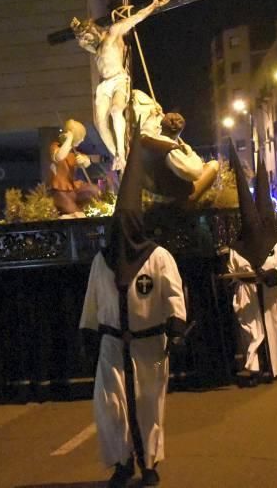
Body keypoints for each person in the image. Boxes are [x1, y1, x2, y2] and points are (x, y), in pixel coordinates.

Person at [79, 127, 187, 488]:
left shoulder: (158, 258)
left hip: (148, 345)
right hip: (112, 346)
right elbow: (93, 300)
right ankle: (121, 463)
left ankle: (150, 463)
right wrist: (88, 330)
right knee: (111, 409)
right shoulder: (103, 260)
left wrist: (175, 322)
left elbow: (173, 294)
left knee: (148, 405)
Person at [70, 0, 170, 171]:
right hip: (104, 86)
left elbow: (135, 18)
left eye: (86, 37)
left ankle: (123, 154)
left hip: (118, 79)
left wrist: (154, 5)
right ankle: (117, 155)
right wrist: (77, 28)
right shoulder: (96, 48)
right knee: (100, 123)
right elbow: (81, 42)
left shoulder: (113, 34)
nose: (84, 42)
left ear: (93, 30)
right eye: (83, 39)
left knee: (117, 110)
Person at [224, 152, 277, 383]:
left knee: (273, 330)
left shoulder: (275, 243)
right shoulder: (237, 247)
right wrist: (242, 277)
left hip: (270, 292)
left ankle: (272, 367)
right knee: (253, 332)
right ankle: (255, 368)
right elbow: (233, 269)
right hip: (249, 294)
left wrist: (273, 274)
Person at [140, 112, 219, 205]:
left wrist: (153, 115)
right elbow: (195, 173)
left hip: (155, 192)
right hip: (176, 199)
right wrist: (190, 153)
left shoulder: (147, 139)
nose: (174, 114)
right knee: (214, 164)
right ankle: (189, 204)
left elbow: (146, 128)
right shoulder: (171, 149)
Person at [48, 118, 100, 218]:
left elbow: (86, 163)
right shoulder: (55, 147)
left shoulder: (73, 153)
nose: (83, 140)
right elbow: (59, 157)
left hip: (72, 187)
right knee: (74, 213)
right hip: (60, 191)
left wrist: (84, 160)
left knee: (94, 190)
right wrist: (69, 139)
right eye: (80, 137)